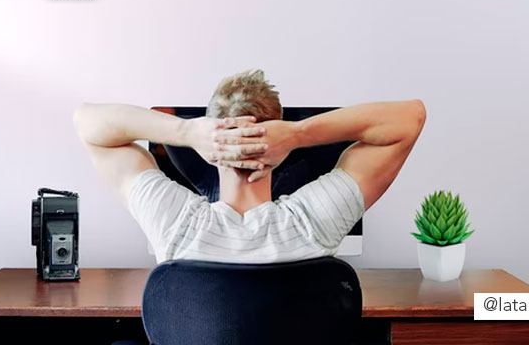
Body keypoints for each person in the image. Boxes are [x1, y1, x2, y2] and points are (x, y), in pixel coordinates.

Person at [74, 69, 426, 263]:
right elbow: (410, 118)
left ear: (211, 144)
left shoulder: (173, 224)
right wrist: (298, 133)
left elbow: (87, 123)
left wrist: (187, 131)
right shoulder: (314, 222)